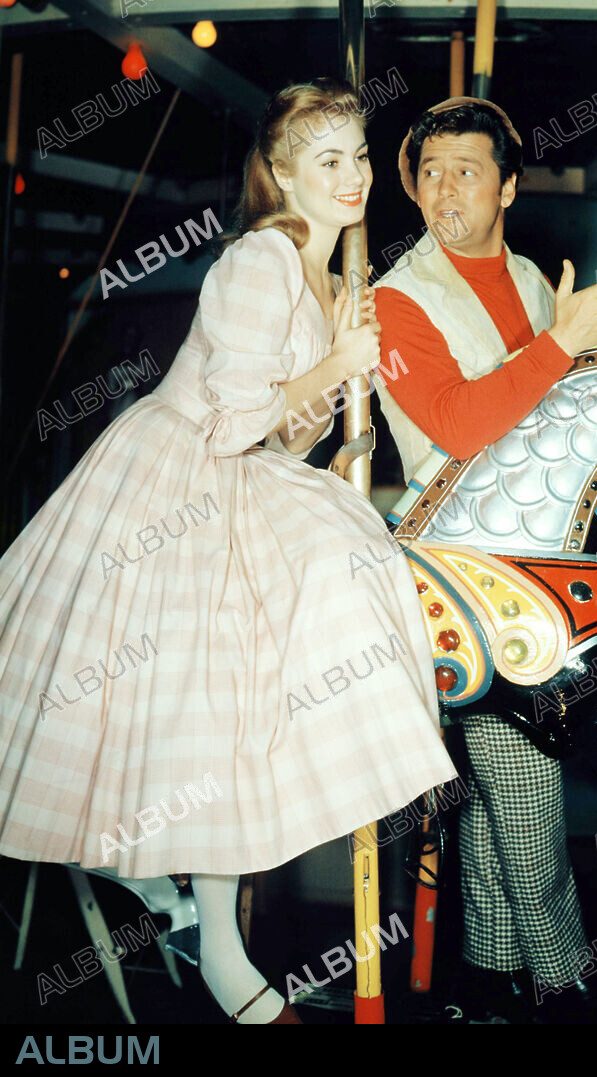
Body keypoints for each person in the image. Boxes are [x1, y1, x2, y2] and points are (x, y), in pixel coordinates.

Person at [0, 78, 457, 1024]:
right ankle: (201, 930)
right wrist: (337, 365)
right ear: (281, 172)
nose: (352, 176)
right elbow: (236, 425)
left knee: (228, 715)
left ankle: (208, 934)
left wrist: (337, 360)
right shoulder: (263, 258)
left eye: (359, 155)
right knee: (163, 709)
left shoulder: (327, 275)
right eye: (326, 159)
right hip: (178, 475)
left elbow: (286, 437)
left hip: (237, 472)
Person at [373, 96, 597, 1022]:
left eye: (465, 170)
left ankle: (486, 977)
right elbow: (461, 422)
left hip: (540, 562)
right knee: (524, 787)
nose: (442, 189)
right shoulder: (397, 297)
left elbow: (554, 417)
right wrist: (572, 337)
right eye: (428, 172)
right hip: (463, 573)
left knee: (494, 801)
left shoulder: (523, 277)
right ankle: (560, 981)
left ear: (508, 186)